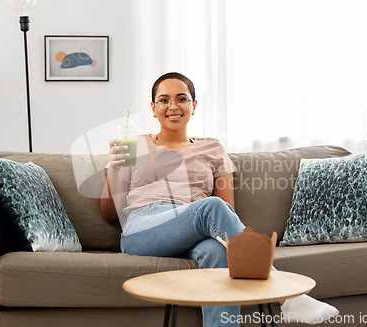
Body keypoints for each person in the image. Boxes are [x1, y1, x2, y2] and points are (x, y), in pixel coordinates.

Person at [101, 72, 338, 326]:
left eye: (182, 98)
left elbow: (227, 214)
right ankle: (287, 297)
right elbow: (108, 213)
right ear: (153, 108)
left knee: (217, 251)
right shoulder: (131, 146)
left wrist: (197, 219)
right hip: (143, 228)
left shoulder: (212, 148)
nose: (173, 106)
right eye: (164, 100)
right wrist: (115, 168)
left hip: (192, 226)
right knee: (211, 207)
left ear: (194, 105)